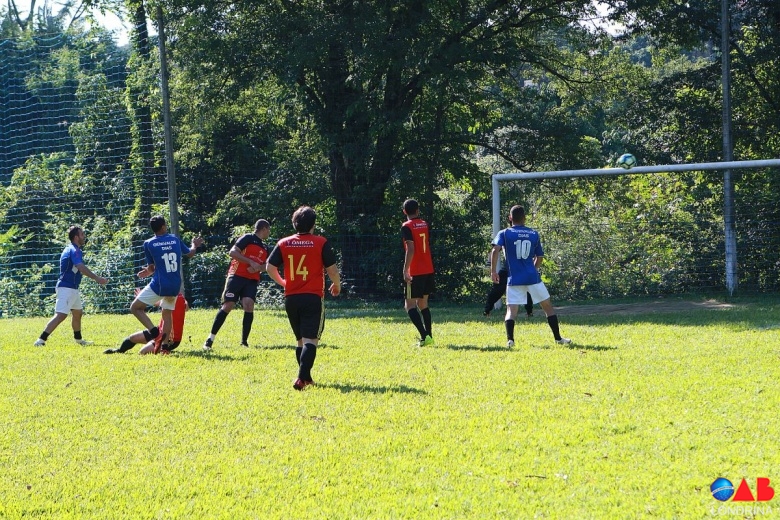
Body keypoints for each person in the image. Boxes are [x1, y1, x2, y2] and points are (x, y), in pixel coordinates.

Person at [266, 206, 340, 390]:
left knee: (300, 340)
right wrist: (337, 284)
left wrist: (283, 282)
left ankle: (307, 378)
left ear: (294, 223)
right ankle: (300, 378)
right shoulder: (320, 242)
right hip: (312, 297)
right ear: (313, 224)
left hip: (291, 298)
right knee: (311, 340)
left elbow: (269, 267)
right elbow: (332, 269)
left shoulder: (284, 243)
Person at [105, 215, 203, 354]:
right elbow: (190, 253)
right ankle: (164, 348)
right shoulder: (175, 239)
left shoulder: (149, 243)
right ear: (163, 227)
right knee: (167, 313)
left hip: (160, 284)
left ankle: (155, 332)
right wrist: (194, 245)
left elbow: (152, 268)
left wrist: (147, 272)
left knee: (135, 308)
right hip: (175, 285)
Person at [490, 205, 571, 348]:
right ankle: (558, 338)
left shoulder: (504, 233)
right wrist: (532, 269)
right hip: (532, 278)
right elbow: (540, 257)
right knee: (547, 307)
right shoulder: (533, 234)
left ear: (510, 218)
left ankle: (510, 340)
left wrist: (493, 272)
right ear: (524, 218)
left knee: (511, 310)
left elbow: (495, 250)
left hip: (514, 278)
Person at [34, 225, 109, 346]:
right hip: (67, 288)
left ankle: (79, 340)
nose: (84, 236)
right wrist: (97, 278)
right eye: (82, 234)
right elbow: (80, 267)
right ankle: (40, 340)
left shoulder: (72, 249)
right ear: (76, 237)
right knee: (61, 315)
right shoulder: (74, 250)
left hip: (72, 288)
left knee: (77, 313)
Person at [203, 219, 271, 350]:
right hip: (237, 275)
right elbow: (232, 252)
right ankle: (210, 339)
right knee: (228, 305)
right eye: (268, 230)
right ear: (264, 229)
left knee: (249, 305)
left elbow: (266, 266)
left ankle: (244, 342)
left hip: (251, 280)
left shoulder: (265, 247)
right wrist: (250, 262)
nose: (269, 232)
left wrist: (258, 268)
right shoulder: (248, 238)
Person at [401, 199, 435, 347]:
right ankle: (429, 336)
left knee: (409, 305)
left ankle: (424, 336)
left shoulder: (406, 226)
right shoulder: (424, 224)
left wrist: (405, 269)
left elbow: (411, 249)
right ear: (418, 210)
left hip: (415, 270)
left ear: (404, 211)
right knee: (423, 303)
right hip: (428, 268)